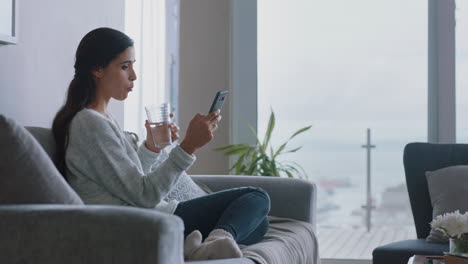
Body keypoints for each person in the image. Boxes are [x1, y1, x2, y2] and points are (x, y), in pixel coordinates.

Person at [52, 27, 270, 261]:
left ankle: (203, 244)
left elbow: (132, 182)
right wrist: (188, 146)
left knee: (259, 223)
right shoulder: (89, 123)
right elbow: (144, 196)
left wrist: (152, 148)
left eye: (133, 65)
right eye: (125, 67)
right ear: (97, 69)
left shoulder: (102, 118)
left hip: (147, 215)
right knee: (256, 198)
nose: (133, 76)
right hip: (144, 223)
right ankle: (209, 245)